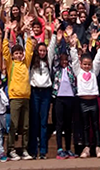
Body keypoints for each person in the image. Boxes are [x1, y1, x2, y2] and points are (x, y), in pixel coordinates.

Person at [2, 20, 34, 161]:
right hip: (14, 97)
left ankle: (25, 150)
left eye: (20, 53)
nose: (19, 55)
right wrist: (7, 32)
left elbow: (30, 49)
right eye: (16, 53)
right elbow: (5, 51)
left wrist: (27, 33)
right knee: (13, 126)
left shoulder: (25, 62)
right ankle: (11, 149)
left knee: (26, 126)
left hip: (26, 97)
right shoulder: (11, 64)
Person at [70, 36, 100, 158]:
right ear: (81, 64)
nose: (87, 66)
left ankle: (98, 147)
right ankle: (86, 148)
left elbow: (98, 60)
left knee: (96, 125)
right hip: (82, 102)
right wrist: (73, 47)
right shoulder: (78, 72)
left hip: (93, 101)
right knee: (85, 126)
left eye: (89, 64)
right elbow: (74, 60)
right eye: (84, 64)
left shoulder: (94, 71)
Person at [28, 26, 55, 159]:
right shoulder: (33, 61)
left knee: (44, 122)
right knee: (34, 121)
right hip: (34, 92)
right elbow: (29, 49)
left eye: (44, 50)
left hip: (46, 93)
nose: (43, 52)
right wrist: (29, 33)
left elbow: (52, 46)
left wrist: (53, 33)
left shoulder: (48, 60)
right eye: (41, 50)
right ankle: (33, 150)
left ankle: (43, 151)